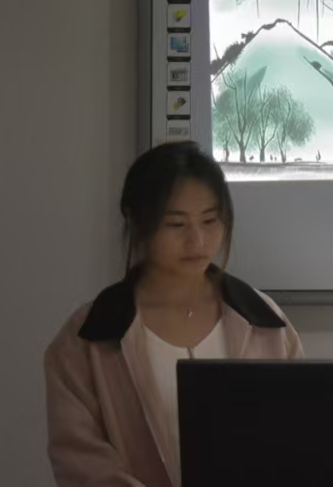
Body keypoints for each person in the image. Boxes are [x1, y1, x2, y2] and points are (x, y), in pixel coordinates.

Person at [44, 142, 303, 486]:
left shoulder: (265, 322)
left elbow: (300, 437)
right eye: (176, 225)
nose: (197, 240)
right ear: (138, 225)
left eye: (209, 221)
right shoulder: (87, 338)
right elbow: (81, 462)